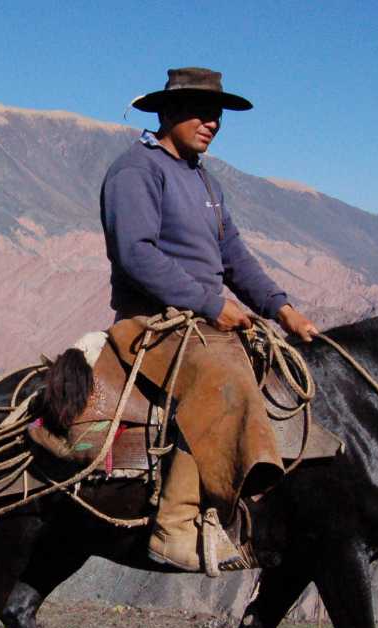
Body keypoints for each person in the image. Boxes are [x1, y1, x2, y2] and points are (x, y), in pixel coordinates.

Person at [100, 67, 318, 573]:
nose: (212, 122)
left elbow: (233, 255)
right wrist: (210, 302)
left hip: (199, 317)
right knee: (223, 377)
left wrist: (282, 308)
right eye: (201, 111)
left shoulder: (204, 180)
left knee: (279, 369)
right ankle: (174, 526)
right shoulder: (137, 170)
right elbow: (135, 253)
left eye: (217, 113)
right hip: (150, 323)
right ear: (167, 113)